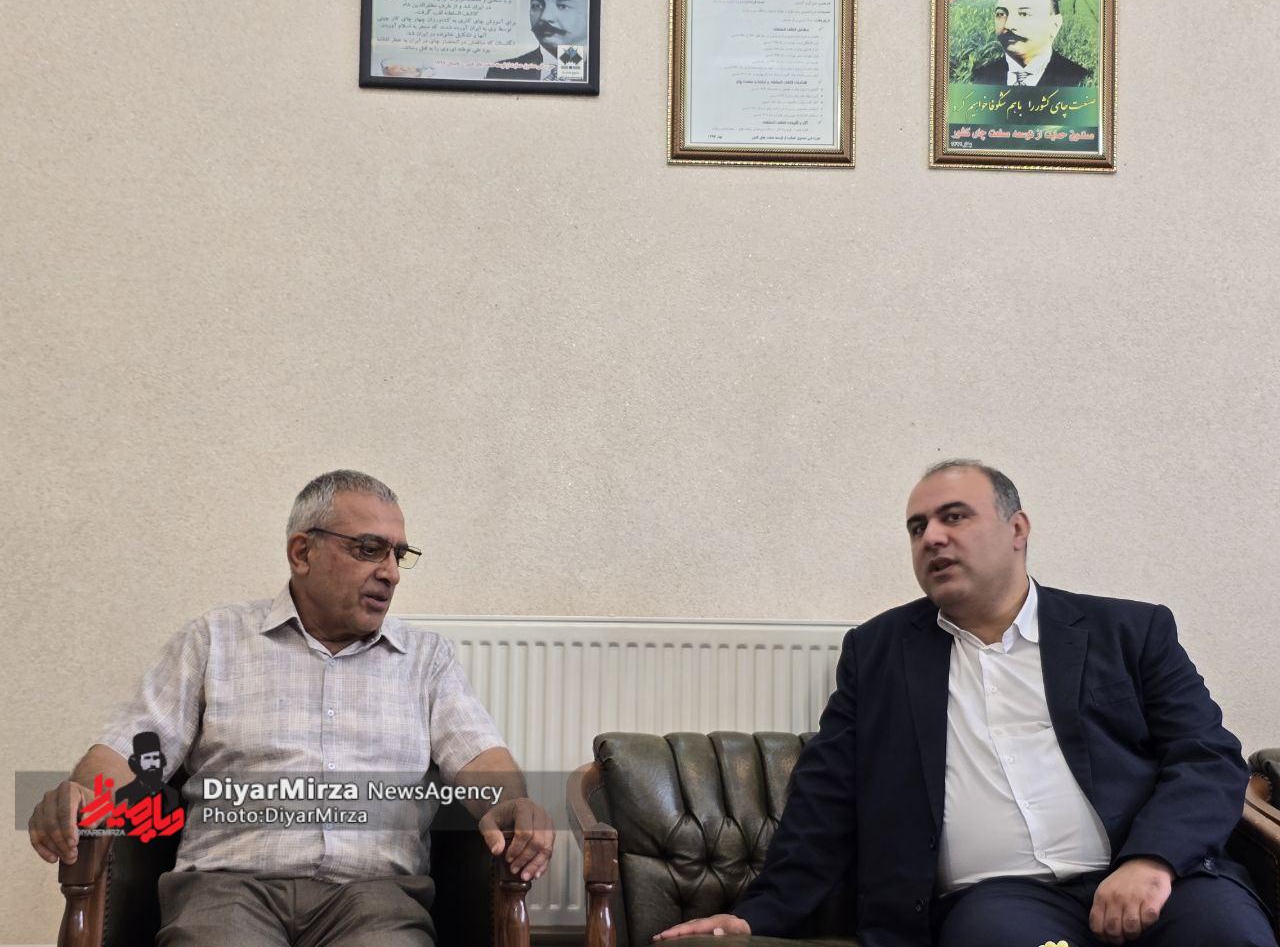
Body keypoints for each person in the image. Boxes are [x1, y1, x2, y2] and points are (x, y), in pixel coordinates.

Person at [656, 460, 1275, 946]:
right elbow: (827, 795)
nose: (932, 537)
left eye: (954, 517)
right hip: (1005, 902)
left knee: (1227, 933)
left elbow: (1206, 756)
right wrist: (759, 915)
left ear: (1017, 529)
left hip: (1161, 878)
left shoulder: (1128, 631)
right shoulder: (878, 653)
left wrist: (1151, 860)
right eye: (917, 527)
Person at [28, 469, 554, 947]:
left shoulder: (426, 659)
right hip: (226, 894)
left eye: (398, 555)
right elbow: (129, 749)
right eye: (370, 549)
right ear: (302, 553)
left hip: (375, 900)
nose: (391, 573)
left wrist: (512, 804)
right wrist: (84, 794)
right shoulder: (214, 639)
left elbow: (481, 758)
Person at [969, 0, 1090, 87]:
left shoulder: (1081, 80)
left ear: (1055, 24)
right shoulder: (978, 78)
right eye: (1001, 14)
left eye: (1024, 14)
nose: (1009, 25)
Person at [487, 0, 589, 81]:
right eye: (537, 6)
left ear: (589, 12)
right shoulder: (501, 72)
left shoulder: (596, 72)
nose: (545, 17)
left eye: (562, 6)